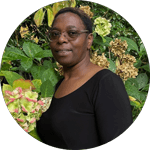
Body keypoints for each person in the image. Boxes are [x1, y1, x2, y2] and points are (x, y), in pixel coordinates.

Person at [36, 7, 133, 149]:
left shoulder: (106, 83)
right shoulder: (61, 84)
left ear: (89, 40)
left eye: (72, 33)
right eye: (55, 33)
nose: (61, 39)